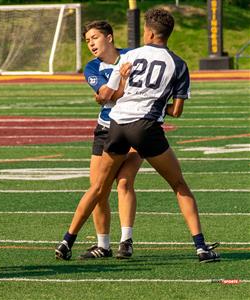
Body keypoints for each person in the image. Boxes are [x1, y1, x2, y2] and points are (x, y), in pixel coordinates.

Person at [59, 8, 220, 263]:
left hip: (117, 125)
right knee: (178, 185)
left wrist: (117, 93)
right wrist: (155, 104)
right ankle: (201, 247)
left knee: (99, 186)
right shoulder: (178, 64)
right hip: (145, 128)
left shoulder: (130, 55)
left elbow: (107, 96)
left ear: (149, 31)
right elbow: (176, 111)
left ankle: (67, 241)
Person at [55, 21, 142, 261]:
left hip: (134, 126)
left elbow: (122, 94)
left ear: (110, 38)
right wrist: (119, 85)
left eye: (95, 37)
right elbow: (105, 97)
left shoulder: (132, 57)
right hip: (105, 129)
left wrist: (112, 93)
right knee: (99, 190)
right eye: (87, 40)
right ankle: (103, 245)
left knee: (124, 182)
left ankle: (126, 241)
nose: (91, 43)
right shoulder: (92, 67)